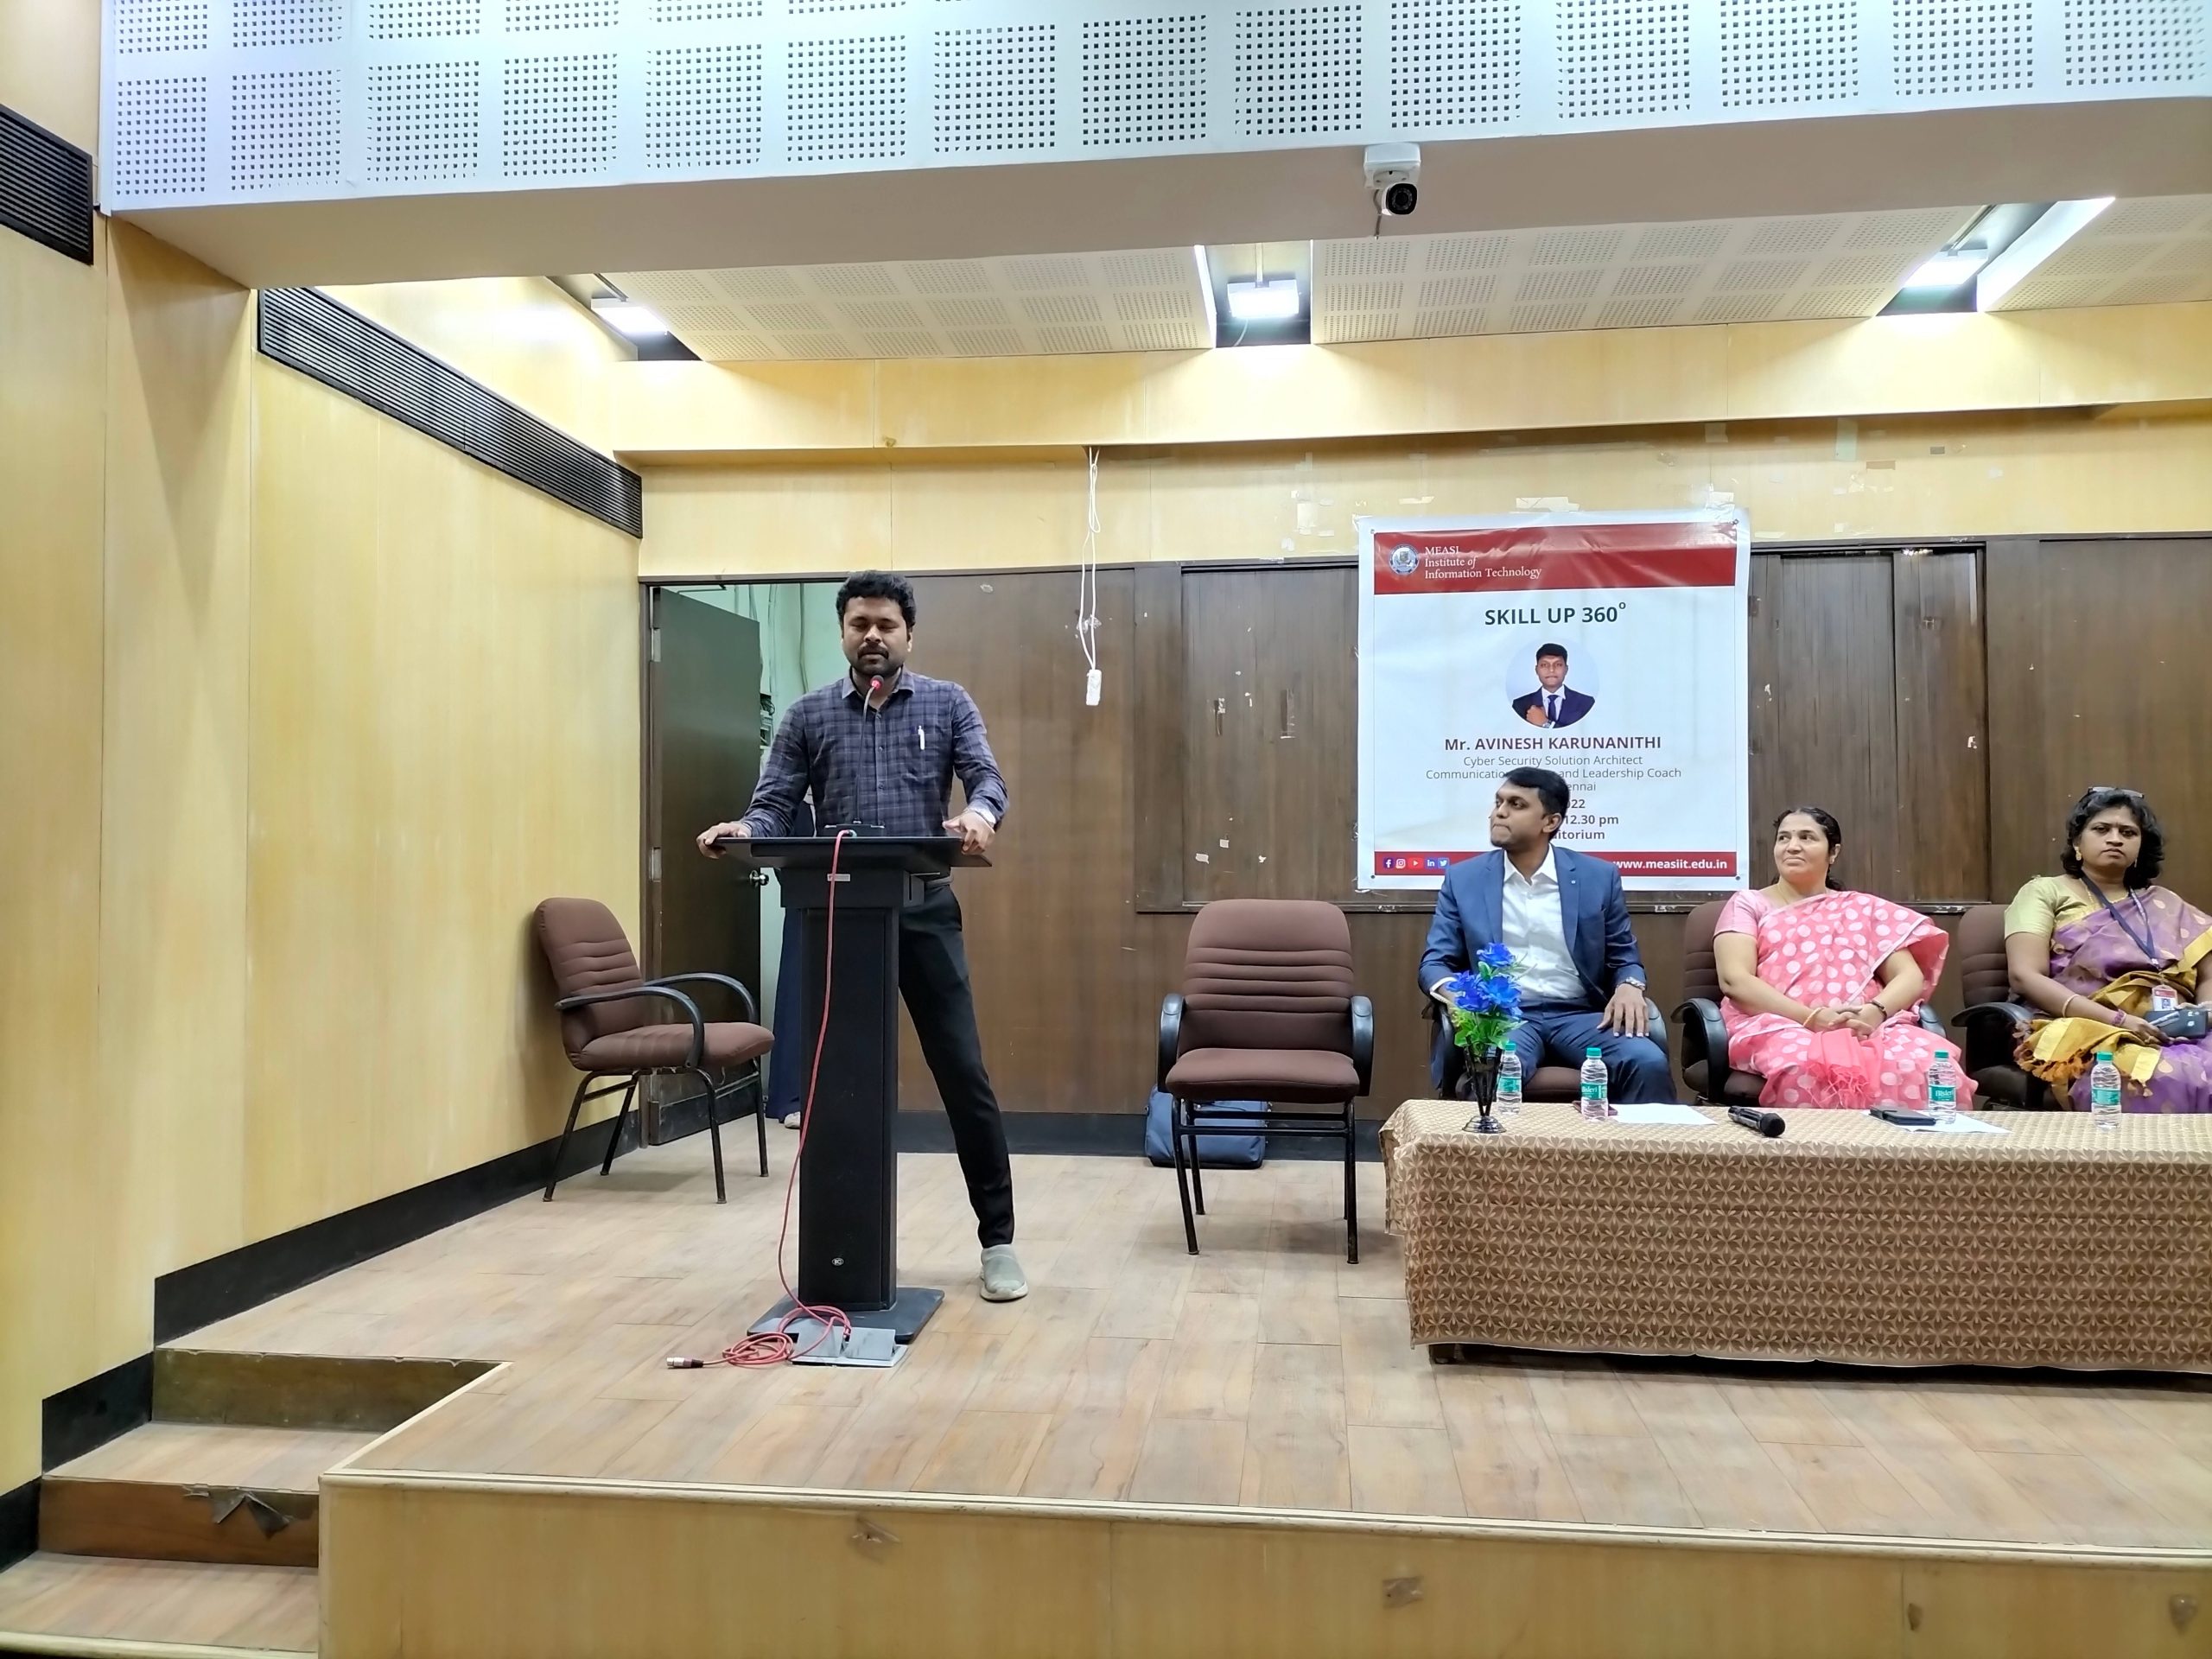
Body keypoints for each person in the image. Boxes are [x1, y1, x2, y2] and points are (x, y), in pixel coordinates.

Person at [696, 572, 1026, 1301]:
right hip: (842, 920)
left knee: (963, 1075)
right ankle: (843, 1251)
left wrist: (979, 817)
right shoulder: (808, 715)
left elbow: (987, 781)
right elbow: (773, 804)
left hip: (925, 911)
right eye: (859, 625)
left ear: (909, 634)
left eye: (885, 625)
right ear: (843, 633)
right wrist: (745, 829)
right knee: (836, 1081)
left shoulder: (947, 703)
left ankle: (998, 1242)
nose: (872, 636)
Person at [1419, 766, 1671, 1101]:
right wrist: (1460, 998)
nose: (1499, 813)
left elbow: (1623, 957)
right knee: (1496, 1066)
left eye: (1516, 804)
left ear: (1550, 822)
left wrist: (1630, 985)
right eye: (1498, 802)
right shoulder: (1465, 879)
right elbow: (1435, 962)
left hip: (1581, 1016)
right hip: (1505, 1018)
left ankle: (1645, 1139)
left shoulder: (1597, 877)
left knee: (1648, 1061)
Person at [1714, 806, 1973, 1109]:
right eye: (1784, 838)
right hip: (1780, 1024)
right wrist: (1812, 1018)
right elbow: (1735, 980)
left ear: (1833, 852)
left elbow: (1909, 976)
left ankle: (1907, 1143)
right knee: (1808, 1067)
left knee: (1925, 1064)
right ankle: (1823, 1144)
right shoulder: (1749, 904)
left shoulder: (1862, 909)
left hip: (1867, 1026)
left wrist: (1874, 1013)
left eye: (1806, 837)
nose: (1792, 846)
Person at [2004, 787, 2212, 1112]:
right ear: (2077, 842)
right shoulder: (2045, 892)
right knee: (2152, 1074)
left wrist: (2205, 1011)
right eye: (2101, 829)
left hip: (2175, 1027)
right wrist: (2120, 1019)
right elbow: (2024, 976)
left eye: (2128, 832)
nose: (2115, 839)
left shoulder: (2165, 903)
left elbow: (2207, 973)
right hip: (2088, 1025)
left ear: (2140, 846)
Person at [1510, 644, 1594, 729]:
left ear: (1566, 669)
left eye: (1558, 665)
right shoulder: (1519, 705)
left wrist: (1546, 723)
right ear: (1537, 670)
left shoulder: (1586, 703)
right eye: (1544, 665)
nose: (1551, 670)